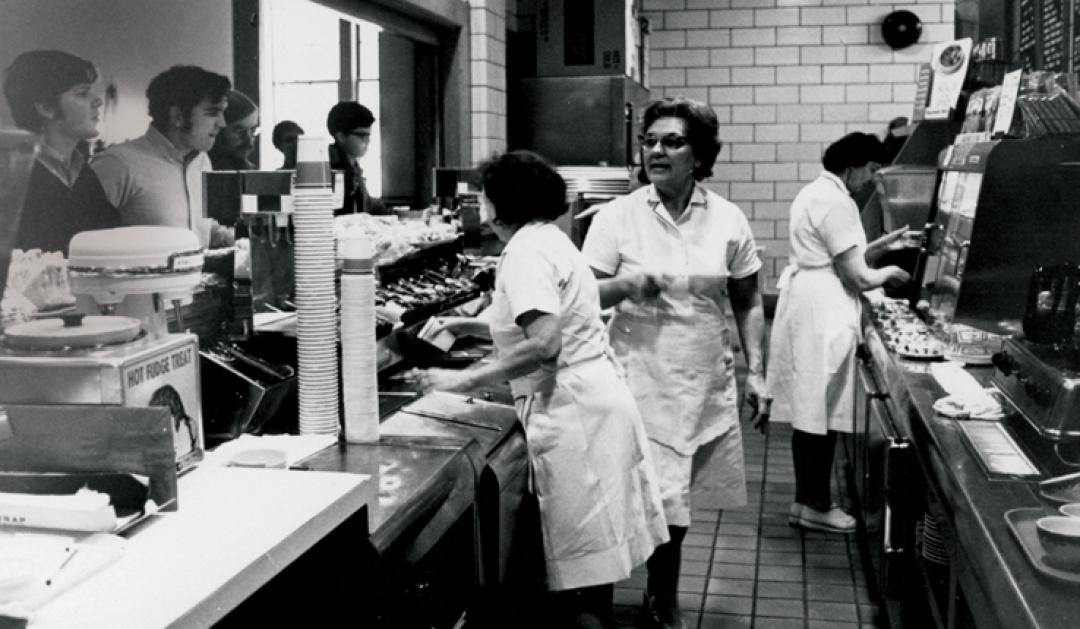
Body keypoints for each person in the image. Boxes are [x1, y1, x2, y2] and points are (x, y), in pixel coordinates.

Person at [415, 150, 668, 628]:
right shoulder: (549, 239)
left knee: (580, 574)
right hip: (593, 400)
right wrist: (465, 326)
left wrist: (460, 380)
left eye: (484, 198)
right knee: (592, 563)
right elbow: (546, 315)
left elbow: (546, 343)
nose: (480, 207)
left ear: (498, 204)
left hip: (575, 414)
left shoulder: (524, 253)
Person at [581, 97, 770, 629]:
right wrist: (624, 286)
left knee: (675, 502)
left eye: (673, 142)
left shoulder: (728, 219)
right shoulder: (617, 217)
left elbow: (749, 300)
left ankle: (662, 597)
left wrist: (757, 371)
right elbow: (585, 295)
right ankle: (596, 601)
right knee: (617, 491)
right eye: (650, 141)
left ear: (700, 154)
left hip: (699, 378)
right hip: (631, 374)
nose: (656, 151)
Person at [766, 132, 913, 534]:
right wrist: (891, 272)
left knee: (812, 410)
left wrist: (883, 245)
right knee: (820, 414)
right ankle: (815, 504)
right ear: (850, 166)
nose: (870, 179)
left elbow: (841, 255)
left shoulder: (815, 192)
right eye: (869, 170)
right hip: (824, 312)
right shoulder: (837, 202)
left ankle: (805, 501)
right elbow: (857, 275)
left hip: (809, 303)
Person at [90, 65, 234, 247]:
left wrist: (233, 239)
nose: (222, 123)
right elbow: (86, 241)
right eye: (212, 113)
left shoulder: (202, 161)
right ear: (178, 116)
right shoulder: (116, 164)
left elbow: (198, 228)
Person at [2, 50, 119, 254]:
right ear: (47, 108)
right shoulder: (11, 175)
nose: (98, 101)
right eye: (82, 93)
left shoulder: (83, 173)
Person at [326, 101, 385, 215]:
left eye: (369, 135)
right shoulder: (331, 167)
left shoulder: (353, 164)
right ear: (341, 136)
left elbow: (365, 204)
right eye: (362, 135)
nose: (367, 141)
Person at [208, 89, 258, 170]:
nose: (249, 142)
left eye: (253, 130)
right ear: (219, 130)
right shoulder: (200, 168)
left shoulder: (251, 171)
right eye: (239, 131)